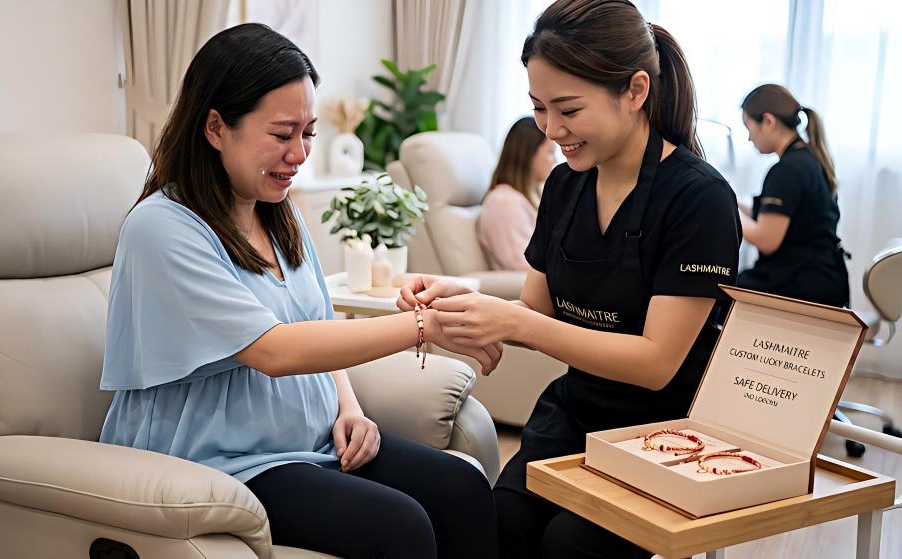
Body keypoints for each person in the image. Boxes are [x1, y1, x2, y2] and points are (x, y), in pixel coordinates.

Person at [98, 23, 498, 559]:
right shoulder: (163, 228)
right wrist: (427, 325)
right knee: (398, 528)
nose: (301, 154)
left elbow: (318, 325)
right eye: (282, 134)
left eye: (308, 133)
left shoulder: (277, 214)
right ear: (216, 127)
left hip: (305, 444)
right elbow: (275, 350)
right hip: (220, 462)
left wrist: (348, 409)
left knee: (462, 488)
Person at [398, 1, 741, 557]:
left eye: (569, 110)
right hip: (575, 411)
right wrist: (463, 305)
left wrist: (515, 323)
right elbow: (537, 309)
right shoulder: (566, 185)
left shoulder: (699, 199)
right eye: (539, 109)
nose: (552, 130)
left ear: (634, 91)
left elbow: (655, 365)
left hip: (664, 434)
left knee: (568, 545)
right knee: (498, 522)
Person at [737, 84, 849, 307]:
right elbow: (777, 214)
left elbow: (766, 240)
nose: (749, 138)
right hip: (824, 277)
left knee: (717, 291)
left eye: (749, 127)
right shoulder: (809, 159)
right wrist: (732, 201)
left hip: (800, 282)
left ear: (768, 121)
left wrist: (727, 210)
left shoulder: (787, 170)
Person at [478, 116, 558, 271]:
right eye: (550, 153)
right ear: (528, 154)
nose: (554, 161)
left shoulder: (529, 197)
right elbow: (521, 264)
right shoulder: (504, 202)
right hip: (518, 290)